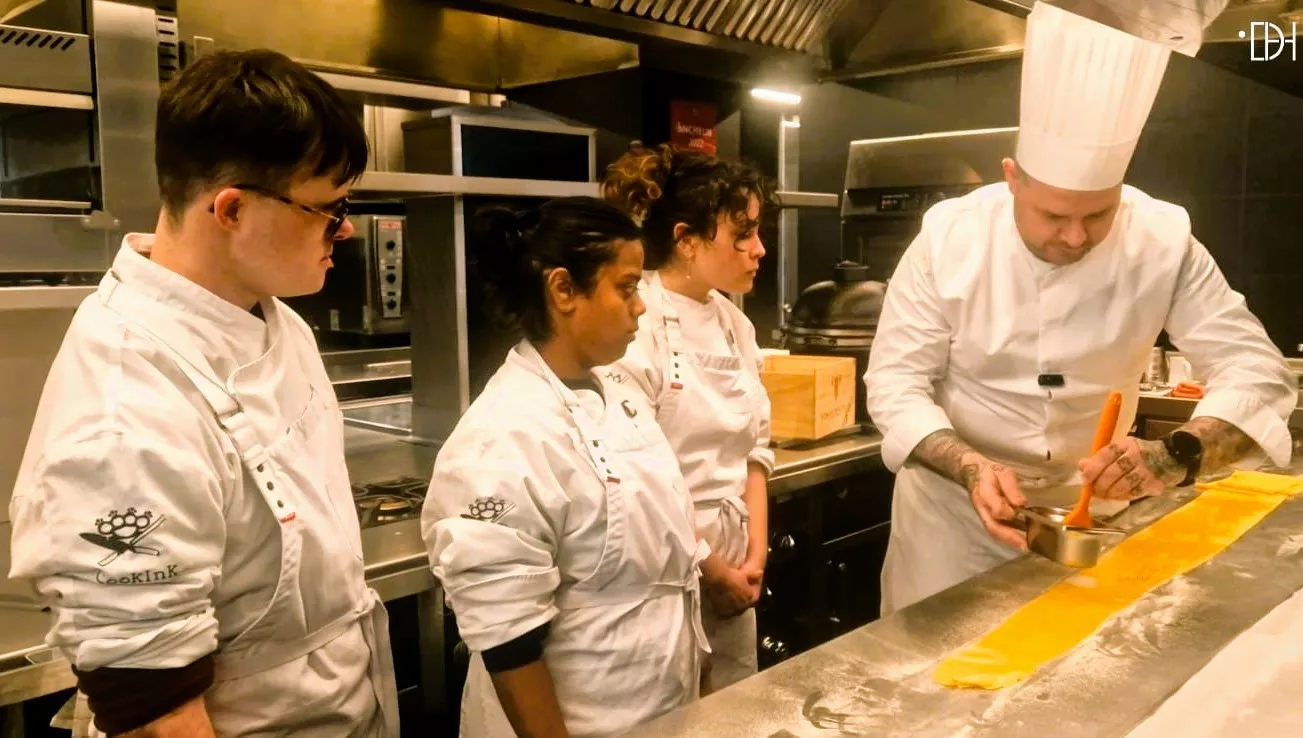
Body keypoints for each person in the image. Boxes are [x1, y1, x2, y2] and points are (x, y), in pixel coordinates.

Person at [8, 50, 398, 737]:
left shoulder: (274, 318)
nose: (347, 228)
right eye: (328, 208)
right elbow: (156, 713)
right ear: (232, 209)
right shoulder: (126, 412)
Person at [865, 2, 1297, 616]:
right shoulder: (947, 237)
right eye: (1053, 216)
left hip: (1095, 523)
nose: (1075, 237)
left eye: (1098, 215)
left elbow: (1257, 371)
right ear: (1012, 179)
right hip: (952, 527)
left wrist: (1175, 457)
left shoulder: (1162, 238)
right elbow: (894, 385)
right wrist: (967, 466)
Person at [421, 197, 708, 738]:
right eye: (626, 287)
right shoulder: (504, 434)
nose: (640, 306)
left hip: (656, 704)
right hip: (579, 719)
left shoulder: (620, 389)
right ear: (563, 290)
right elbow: (509, 638)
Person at [602, 144, 776, 692]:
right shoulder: (638, 323)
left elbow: (756, 451)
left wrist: (755, 554)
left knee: (731, 712)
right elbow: (635, 479)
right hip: (663, 559)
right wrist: (707, 564)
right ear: (685, 239)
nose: (759, 249)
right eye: (742, 233)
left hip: (735, 559)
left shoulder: (734, 323)